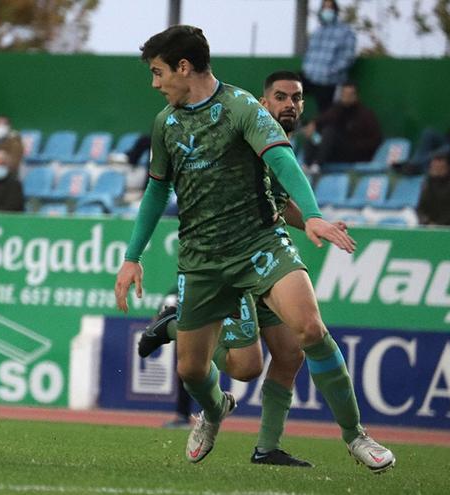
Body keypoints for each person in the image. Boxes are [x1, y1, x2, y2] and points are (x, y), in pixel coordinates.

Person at [114, 25, 393, 473]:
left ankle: (355, 435)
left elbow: (282, 158)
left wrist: (313, 213)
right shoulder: (165, 123)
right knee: (194, 371)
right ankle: (214, 409)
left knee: (309, 331)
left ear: (183, 67)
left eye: (158, 72)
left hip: (260, 244)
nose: (154, 83)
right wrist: (132, 257)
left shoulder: (241, 107)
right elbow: (156, 191)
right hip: (202, 259)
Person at [140, 71, 354, 467]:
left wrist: (313, 221)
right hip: (232, 260)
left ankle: (267, 447)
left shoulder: (281, 142)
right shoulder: (247, 131)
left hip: (265, 257)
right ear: (263, 102)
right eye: (281, 97)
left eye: (297, 98)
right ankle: (175, 325)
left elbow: (276, 203)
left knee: (291, 353)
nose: (290, 105)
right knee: (245, 367)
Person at [303, 81, 382, 171]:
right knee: (315, 133)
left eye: (350, 94)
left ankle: (317, 165)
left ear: (356, 96)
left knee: (329, 131)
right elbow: (323, 119)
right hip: (336, 151)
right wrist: (313, 124)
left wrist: (357, 147)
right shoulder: (337, 110)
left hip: (355, 153)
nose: (346, 97)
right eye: (344, 94)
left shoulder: (365, 115)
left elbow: (375, 139)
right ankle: (307, 164)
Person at [301, 0, 356, 115]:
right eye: (324, 8)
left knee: (326, 113)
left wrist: (330, 71)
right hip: (311, 77)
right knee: (288, 85)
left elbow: (348, 58)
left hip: (330, 80)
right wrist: (307, 69)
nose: (327, 11)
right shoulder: (317, 31)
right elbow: (309, 54)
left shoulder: (345, 31)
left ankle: (321, 125)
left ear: (335, 10)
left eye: (329, 8)